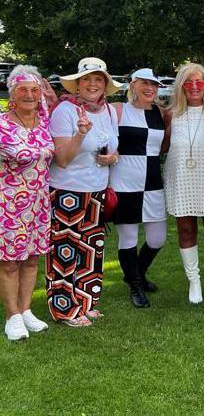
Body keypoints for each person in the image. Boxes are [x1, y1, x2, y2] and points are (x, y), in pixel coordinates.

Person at [47, 57, 121, 327]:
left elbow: (114, 149)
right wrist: (79, 135)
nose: (93, 84)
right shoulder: (65, 111)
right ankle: (65, 309)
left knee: (91, 250)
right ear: (78, 84)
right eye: (87, 79)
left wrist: (111, 158)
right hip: (68, 191)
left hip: (97, 192)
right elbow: (62, 159)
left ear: (105, 84)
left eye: (98, 79)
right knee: (66, 251)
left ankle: (86, 302)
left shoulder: (109, 111)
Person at [164, 63, 204, 304]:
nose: (194, 87)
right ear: (181, 86)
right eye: (188, 82)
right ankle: (194, 281)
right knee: (186, 230)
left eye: (199, 82)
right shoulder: (170, 114)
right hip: (181, 179)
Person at [1, 66, 54, 340]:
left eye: (34, 90)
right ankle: (11, 316)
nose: (30, 94)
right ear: (12, 92)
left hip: (38, 203)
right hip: (9, 205)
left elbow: (50, 102)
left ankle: (25, 311)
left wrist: (48, 96)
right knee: (10, 262)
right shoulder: (2, 124)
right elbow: (19, 154)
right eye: (23, 89)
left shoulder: (43, 121)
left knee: (32, 259)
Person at [111, 69, 167, 308]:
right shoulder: (117, 110)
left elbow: (164, 145)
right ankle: (136, 286)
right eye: (144, 83)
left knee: (157, 238)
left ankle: (135, 273)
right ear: (133, 85)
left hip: (153, 182)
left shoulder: (160, 113)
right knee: (129, 237)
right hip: (124, 181)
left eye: (153, 84)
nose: (149, 88)